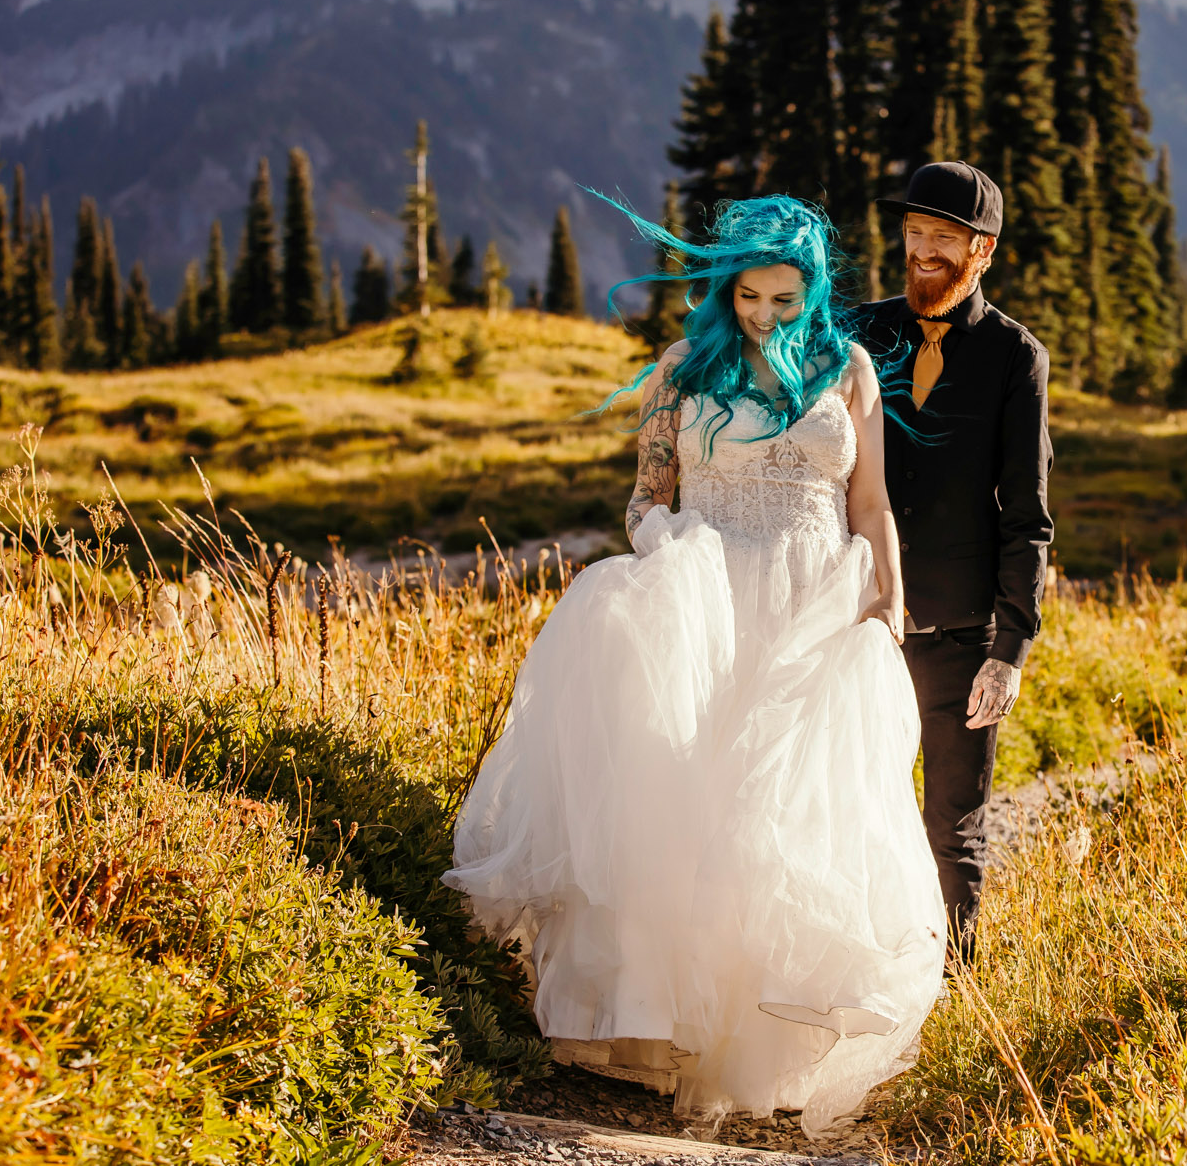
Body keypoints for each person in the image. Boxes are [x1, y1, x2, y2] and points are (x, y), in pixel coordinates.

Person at [443, 196, 944, 1137]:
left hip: (815, 606)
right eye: (747, 294)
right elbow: (645, 500)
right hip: (705, 599)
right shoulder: (682, 370)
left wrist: (892, 601)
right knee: (692, 812)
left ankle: (770, 1037)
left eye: (784, 297)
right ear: (726, 288)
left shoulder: (850, 368)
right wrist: (673, 557)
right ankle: (665, 1021)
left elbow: (870, 505)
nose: (762, 312)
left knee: (795, 818)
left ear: (813, 287)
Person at [862, 161, 1055, 970]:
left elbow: (1028, 515)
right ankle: (857, 986)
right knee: (850, 812)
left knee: (954, 827)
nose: (924, 250)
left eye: (944, 236)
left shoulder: (1016, 356)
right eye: (914, 233)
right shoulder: (856, 334)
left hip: (959, 638)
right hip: (859, 629)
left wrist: (1008, 649)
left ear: (982, 250)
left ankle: (955, 995)